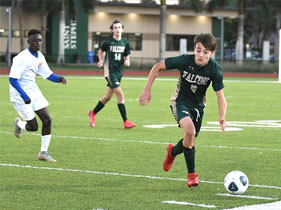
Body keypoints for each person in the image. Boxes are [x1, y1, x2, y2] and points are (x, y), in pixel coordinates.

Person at [139, 33, 227, 187]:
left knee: (189, 140)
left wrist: (222, 117)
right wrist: (147, 89)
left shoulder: (215, 69)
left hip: (198, 106)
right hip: (179, 101)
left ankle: (172, 152)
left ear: (211, 53)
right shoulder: (185, 60)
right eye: (198, 50)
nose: (200, 55)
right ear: (194, 48)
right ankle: (192, 175)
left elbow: (221, 97)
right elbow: (157, 66)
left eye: (205, 52)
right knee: (190, 131)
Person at [9, 29, 67, 162]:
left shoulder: (40, 56)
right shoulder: (21, 58)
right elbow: (12, 79)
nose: (38, 43)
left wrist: (58, 78)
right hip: (20, 95)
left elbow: (47, 74)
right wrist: (24, 96)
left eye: (40, 40)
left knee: (47, 120)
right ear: (28, 41)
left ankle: (43, 153)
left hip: (33, 91)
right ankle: (19, 124)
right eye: (35, 40)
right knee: (33, 127)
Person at [88, 19, 136, 129]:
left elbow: (127, 55)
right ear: (112, 30)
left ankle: (93, 113)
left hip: (119, 73)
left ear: (122, 29)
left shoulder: (125, 42)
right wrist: (100, 60)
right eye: (115, 27)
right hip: (109, 72)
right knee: (120, 95)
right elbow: (100, 51)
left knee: (108, 96)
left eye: (119, 27)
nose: (117, 29)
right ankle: (126, 121)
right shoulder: (108, 42)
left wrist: (127, 61)